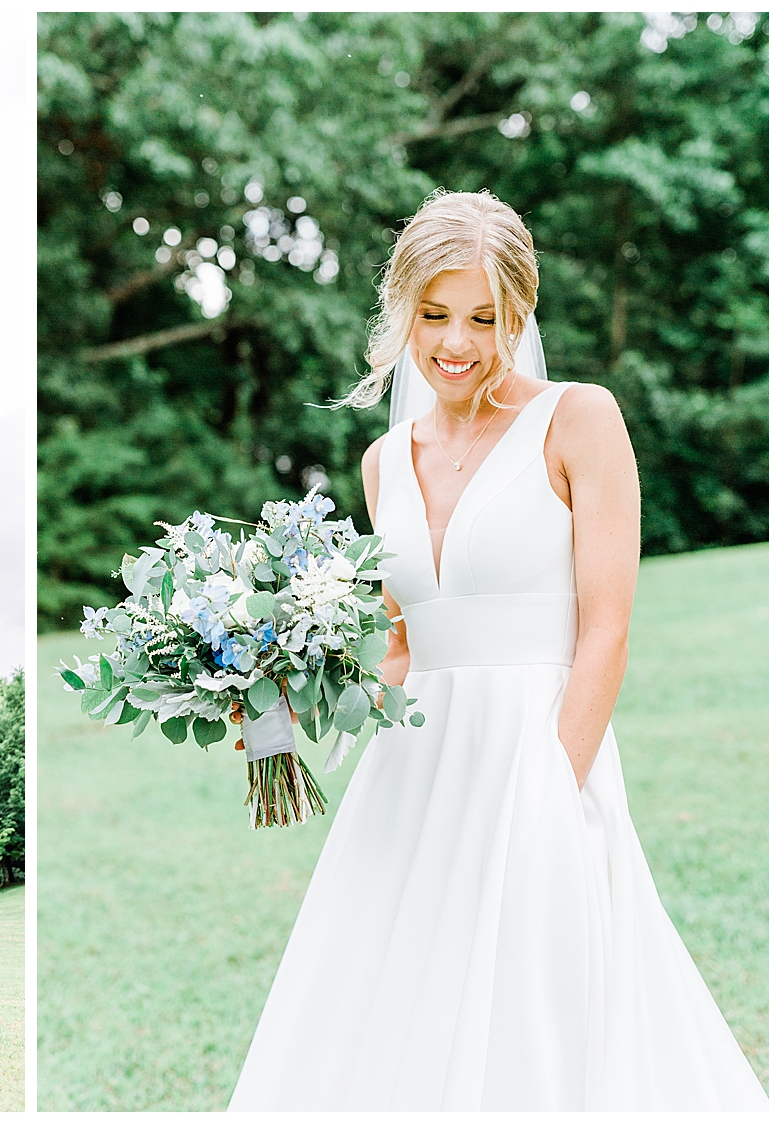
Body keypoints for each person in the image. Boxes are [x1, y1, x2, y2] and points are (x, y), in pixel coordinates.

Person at [228, 190, 766, 1110]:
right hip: (412, 775)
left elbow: (607, 626)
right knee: (390, 1007)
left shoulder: (579, 419)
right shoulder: (381, 462)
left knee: (538, 1014)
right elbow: (402, 644)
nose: (457, 343)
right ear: (402, 310)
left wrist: (555, 783)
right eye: (435, 315)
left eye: (487, 318)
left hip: (540, 754)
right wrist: (280, 706)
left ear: (520, 316)